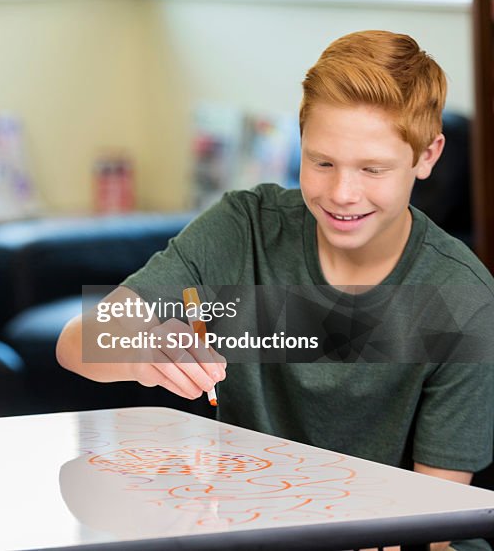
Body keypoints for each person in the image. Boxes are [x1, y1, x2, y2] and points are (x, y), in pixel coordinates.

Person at [57, 30, 494, 546]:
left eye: (373, 169)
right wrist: (140, 351)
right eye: (322, 162)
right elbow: (78, 342)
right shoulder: (243, 229)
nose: (341, 194)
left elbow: (433, 528)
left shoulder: (464, 298)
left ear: (427, 156)